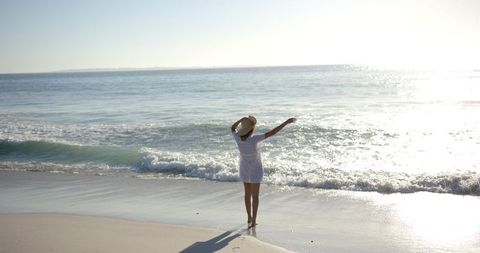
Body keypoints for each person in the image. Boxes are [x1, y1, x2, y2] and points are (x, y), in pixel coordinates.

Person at [231, 116, 296, 227]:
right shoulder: (254, 139)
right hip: (255, 169)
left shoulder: (237, 137)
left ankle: (249, 218)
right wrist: (286, 122)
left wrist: (241, 120)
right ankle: (254, 220)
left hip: (244, 168)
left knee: (247, 195)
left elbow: (232, 128)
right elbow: (272, 132)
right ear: (252, 129)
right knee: (255, 196)